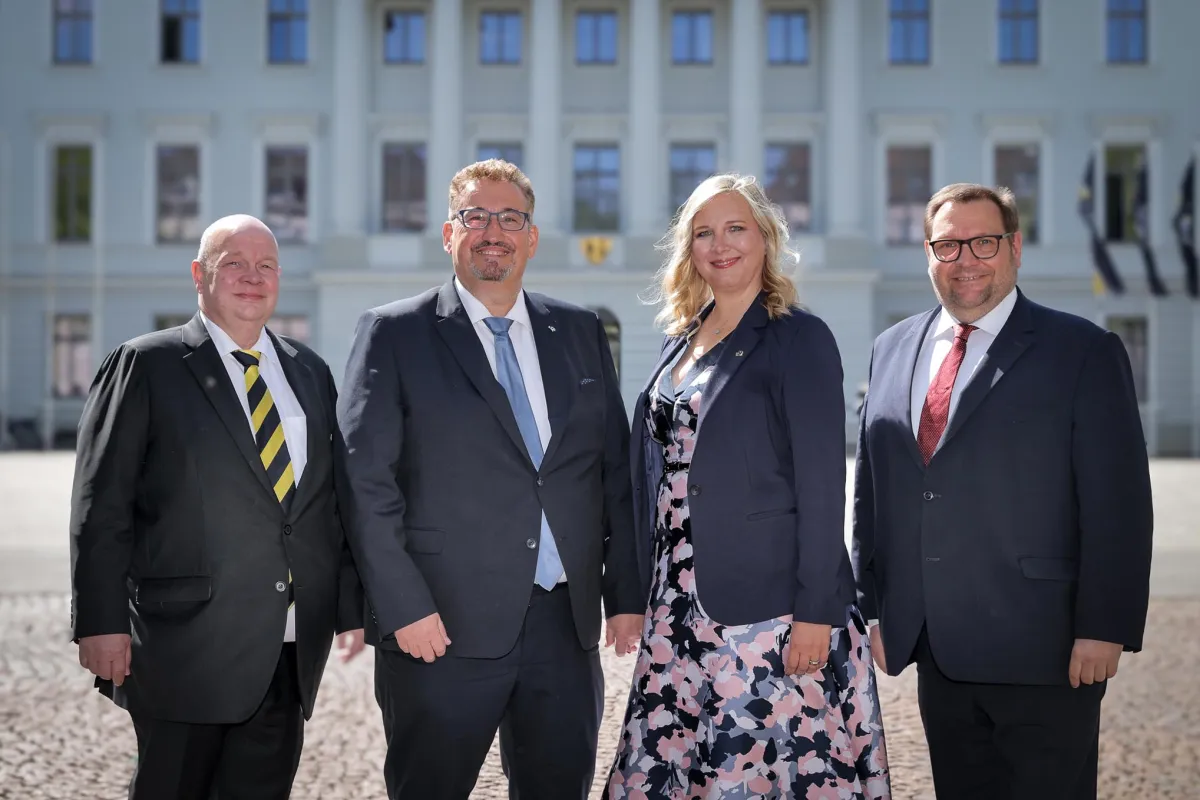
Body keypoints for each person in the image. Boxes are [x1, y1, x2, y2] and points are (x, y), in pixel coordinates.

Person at [336, 159, 644, 799]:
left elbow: (612, 469)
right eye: (475, 217)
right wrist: (404, 608)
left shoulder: (581, 331)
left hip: (563, 630)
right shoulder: (394, 333)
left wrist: (624, 593)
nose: (493, 232)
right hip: (439, 630)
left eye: (510, 218)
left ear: (532, 237)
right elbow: (365, 485)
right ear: (449, 233)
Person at [852, 183, 1154, 799]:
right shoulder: (892, 348)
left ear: (1014, 248)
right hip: (937, 648)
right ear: (928, 254)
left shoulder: (1082, 351)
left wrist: (1105, 624)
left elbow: (1118, 502)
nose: (965, 259)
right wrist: (874, 606)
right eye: (947, 245)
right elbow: (872, 491)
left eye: (983, 242)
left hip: (1045, 647)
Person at [605, 174, 890, 798]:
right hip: (677, 601)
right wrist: (630, 588)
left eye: (736, 228)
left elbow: (822, 485)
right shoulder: (679, 339)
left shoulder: (798, 337)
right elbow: (648, 474)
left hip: (772, 608)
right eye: (704, 232)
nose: (721, 244)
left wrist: (815, 612)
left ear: (766, 237)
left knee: (759, 771)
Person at [69, 214, 366, 800]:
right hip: (184, 643)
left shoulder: (310, 371)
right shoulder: (146, 363)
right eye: (234, 264)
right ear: (199, 275)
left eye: (266, 265)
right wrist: (100, 622)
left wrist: (347, 605)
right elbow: (102, 502)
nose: (253, 277)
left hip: (287, 646)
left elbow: (329, 503)